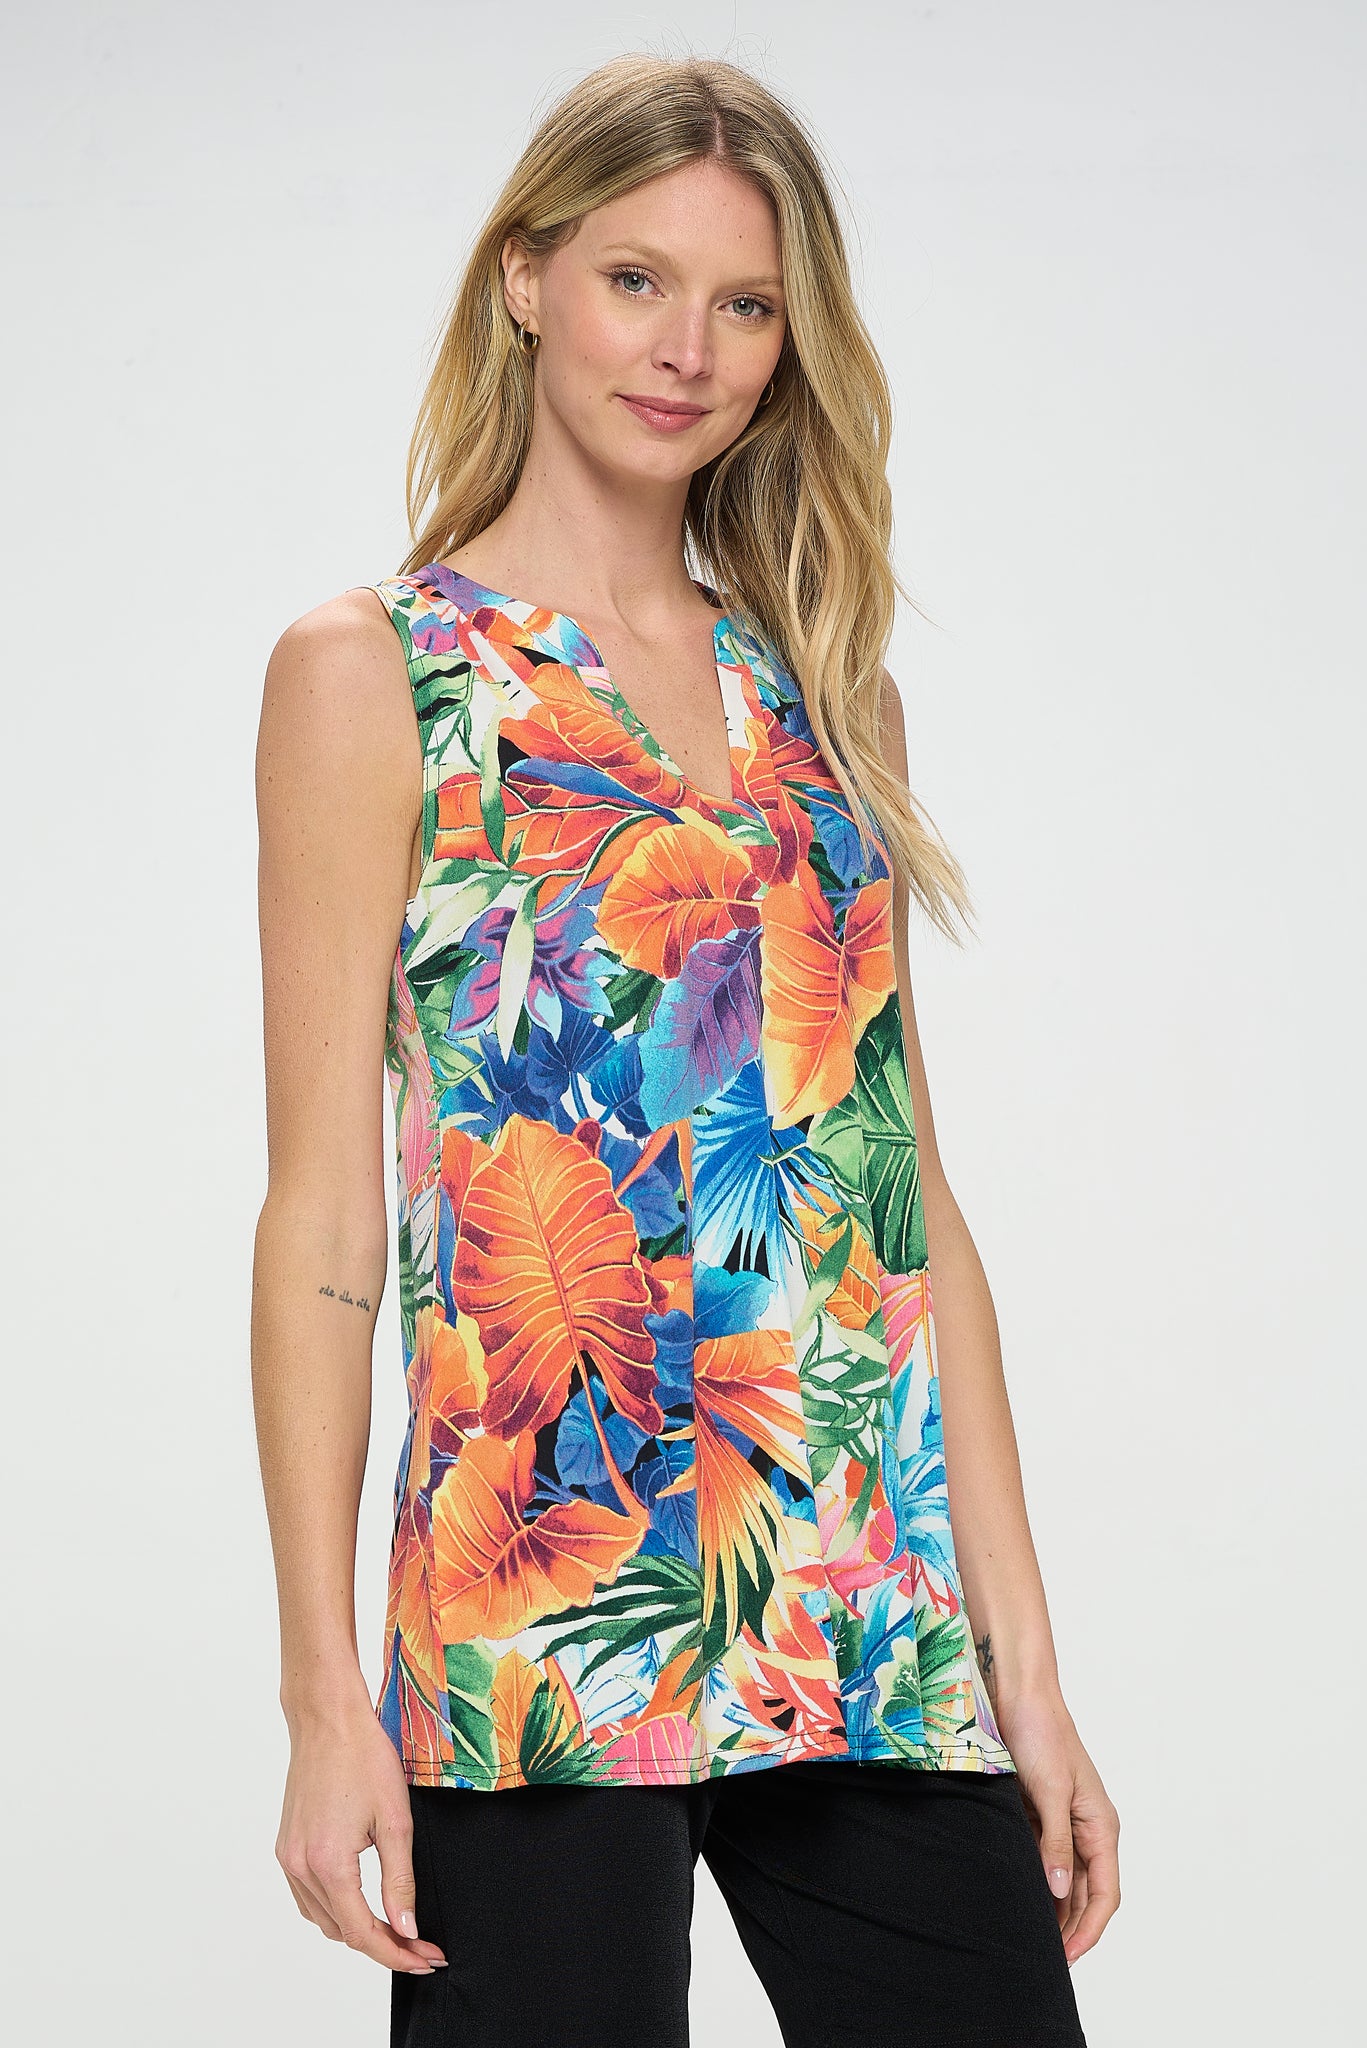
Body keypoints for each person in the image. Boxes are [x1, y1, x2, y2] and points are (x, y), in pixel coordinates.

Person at [251, 50, 1120, 2048]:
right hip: (540, 1619)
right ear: (526, 279)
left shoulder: (829, 694)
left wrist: (1030, 1673)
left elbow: (905, 1206)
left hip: (859, 1614)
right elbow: (322, 1229)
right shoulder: (377, 678)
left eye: (746, 305)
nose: (689, 351)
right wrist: (321, 1699)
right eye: (637, 281)